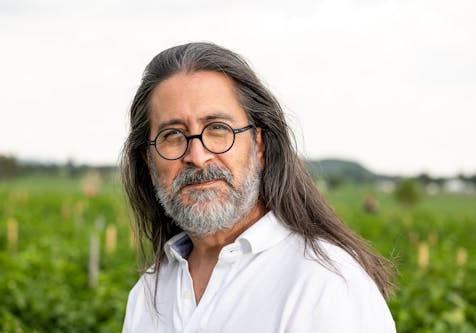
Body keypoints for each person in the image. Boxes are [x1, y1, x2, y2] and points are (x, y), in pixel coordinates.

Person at [120, 42, 396, 332]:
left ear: (259, 144)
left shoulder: (324, 285)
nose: (198, 158)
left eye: (218, 128)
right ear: (149, 161)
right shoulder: (148, 294)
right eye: (173, 135)